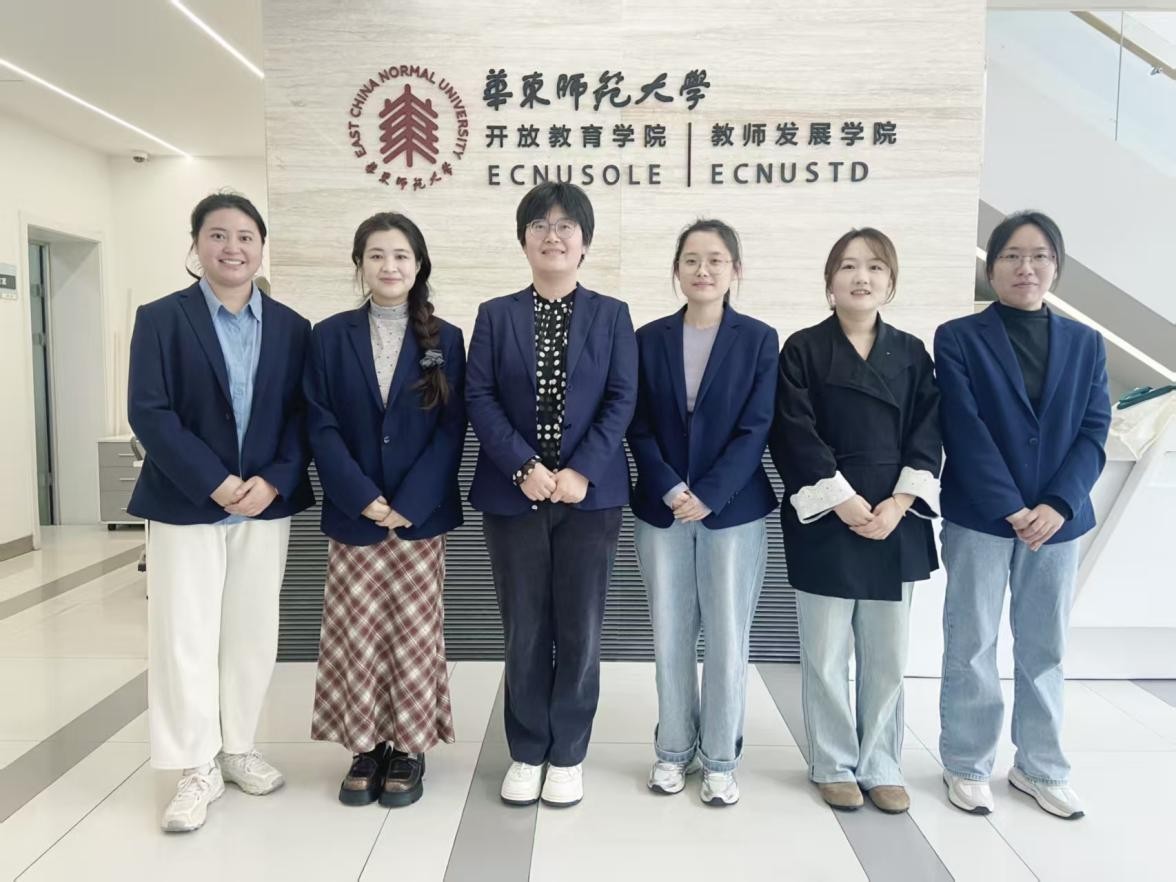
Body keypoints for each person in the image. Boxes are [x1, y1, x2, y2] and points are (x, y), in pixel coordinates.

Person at [127, 192, 314, 832]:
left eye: (245, 237)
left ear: (261, 248)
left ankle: (238, 748)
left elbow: (303, 416)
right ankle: (194, 765)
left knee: (252, 630)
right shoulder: (161, 318)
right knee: (185, 633)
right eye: (217, 235)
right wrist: (214, 482)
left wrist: (274, 480)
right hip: (185, 501)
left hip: (264, 504)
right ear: (196, 245)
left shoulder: (291, 327)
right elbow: (149, 411)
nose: (232, 248)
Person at [465, 182, 637, 808]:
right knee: (525, 627)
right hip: (514, 496)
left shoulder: (612, 315)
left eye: (566, 226)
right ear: (523, 240)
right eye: (540, 224)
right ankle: (527, 748)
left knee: (581, 627)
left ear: (585, 242)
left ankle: (567, 753)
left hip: (589, 499)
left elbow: (622, 397)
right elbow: (479, 396)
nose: (553, 235)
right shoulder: (495, 314)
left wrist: (581, 471)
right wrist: (523, 467)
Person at [936, 211, 1110, 820]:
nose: (1025, 267)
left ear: (1056, 267)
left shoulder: (1086, 343)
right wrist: (1011, 506)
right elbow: (962, 426)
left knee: (1045, 647)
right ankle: (967, 763)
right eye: (1011, 255)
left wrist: (1058, 503)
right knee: (972, 642)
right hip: (982, 517)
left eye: (1039, 256)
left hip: (1059, 523)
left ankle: (1040, 768)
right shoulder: (958, 337)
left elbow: (1094, 429)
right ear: (992, 268)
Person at [769, 228, 941, 814]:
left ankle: (882, 764)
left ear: (890, 281)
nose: (860, 277)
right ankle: (833, 762)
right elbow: (792, 431)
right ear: (829, 281)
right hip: (826, 516)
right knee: (824, 654)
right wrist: (840, 498)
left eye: (874, 267)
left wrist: (899, 503)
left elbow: (928, 433)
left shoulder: (912, 353)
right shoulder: (802, 350)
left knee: (887, 655)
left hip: (895, 518)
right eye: (847, 266)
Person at [305, 212, 466, 808]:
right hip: (356, 515)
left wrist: (409, 504)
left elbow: (451, 429)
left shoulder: (445, 339)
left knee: (414, 635)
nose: (389, 266)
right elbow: (319, 424)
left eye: (401, 255)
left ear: (418, 265)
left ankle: (410, 747)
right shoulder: (328, 336)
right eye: (376, 255)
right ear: (360, 265)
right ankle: (366, 746)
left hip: (419, 518)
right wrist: (362, 497)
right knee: (357, 633)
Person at [628, 219, 778, 807]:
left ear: (735, 270)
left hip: (733, 510)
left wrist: (710, 493)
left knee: (726, 637)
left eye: (715, 259)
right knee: (669, 634)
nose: (703, 270)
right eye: (691, 259)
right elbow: (636, 423)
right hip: (662, 509)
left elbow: (756, 427)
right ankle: (672, 750)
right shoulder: (649, 338)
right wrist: (669, 486)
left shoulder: (759, 339)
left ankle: (719, 759)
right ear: (676, 270)